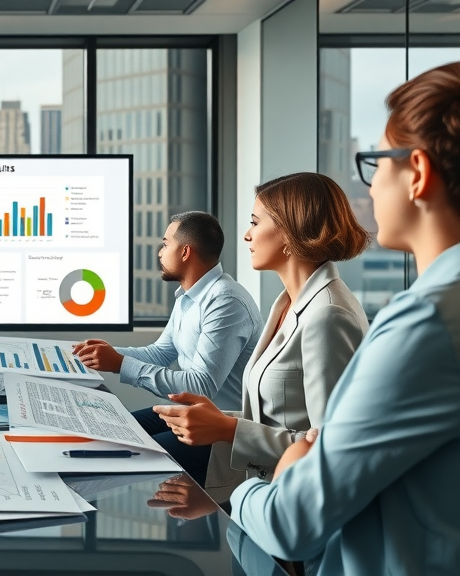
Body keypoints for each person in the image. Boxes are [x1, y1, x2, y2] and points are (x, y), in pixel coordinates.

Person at [232, 62, 460, 576]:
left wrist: (246, 492)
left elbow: (292, 519)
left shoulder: (425, 322)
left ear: (418, 173)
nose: (371, 188)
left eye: (376, 163)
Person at [154, 172, 369, 498]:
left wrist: (227, 429)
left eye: (255, 223)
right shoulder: (287, 303)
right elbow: (273, 419)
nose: (246, 235)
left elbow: (329, 446)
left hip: (291, 500)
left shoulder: (328, 315)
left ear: (291, 230)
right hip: (258, 489)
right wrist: (217, 421)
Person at [74, 211, 263, 485]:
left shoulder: (226, 301)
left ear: (185, 252)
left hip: (218, 430)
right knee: (112, 433)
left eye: (165, 244)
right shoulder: (188, 296)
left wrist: (120, 363)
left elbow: (201, 386)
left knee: (123, 456)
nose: (160, 252)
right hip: (187, 416)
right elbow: (161, 353)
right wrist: (105, 355)